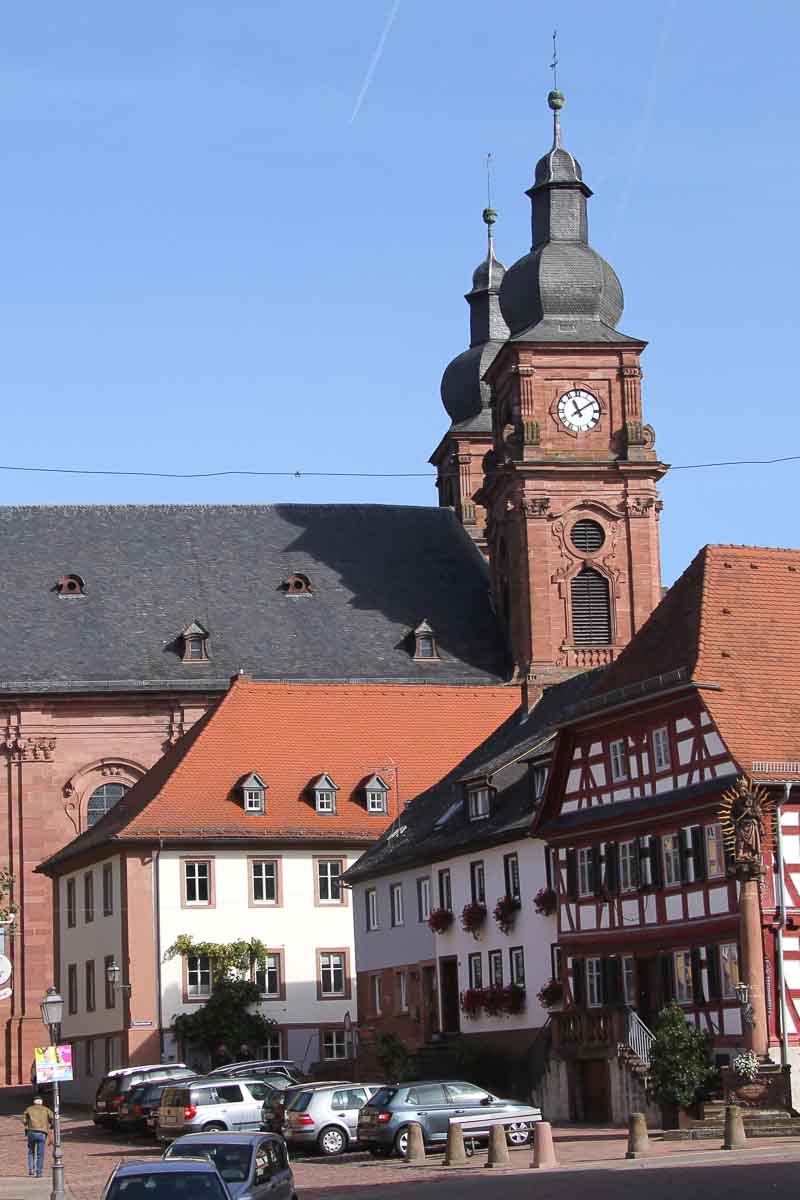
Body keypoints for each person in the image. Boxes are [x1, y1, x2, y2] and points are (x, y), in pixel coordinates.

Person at [22, 1096, 53, 1178]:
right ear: (41, 1102)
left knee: (31, 1152)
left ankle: (31, 1170)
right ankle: (39, 1172)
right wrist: (51, 1126)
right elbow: (53, 1118)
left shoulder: (29, 1109)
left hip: (31, 1132)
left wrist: (27, 1123)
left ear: (34, 1102)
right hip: (42, 1133)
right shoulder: (46, 1109)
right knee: (40, 1154)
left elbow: (24, 1120)